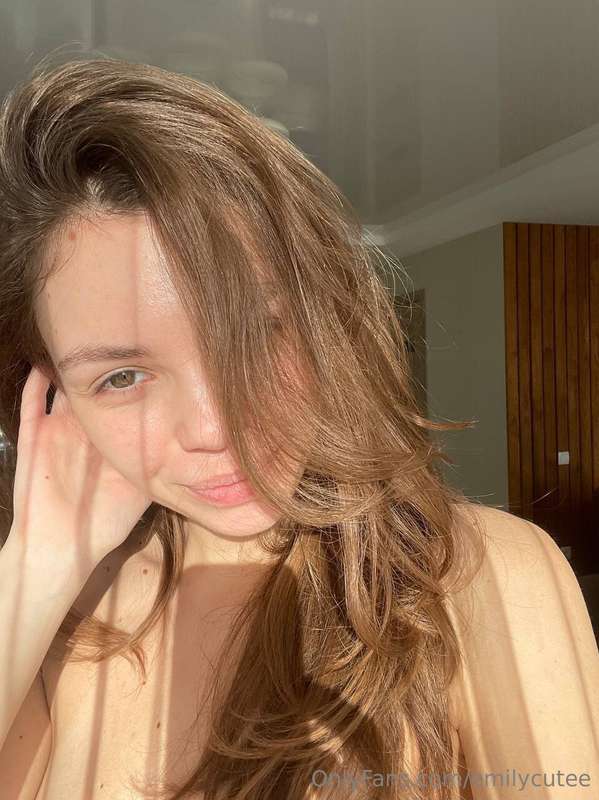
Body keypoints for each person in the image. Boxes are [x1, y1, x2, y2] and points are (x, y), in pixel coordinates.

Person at [0, 55, 596, 800]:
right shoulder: (53, 619)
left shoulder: (477, 576)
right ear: (54, 400)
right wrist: (39, 566)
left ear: (327, 322)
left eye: (257, 336)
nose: (213, 429)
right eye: (121, 377)